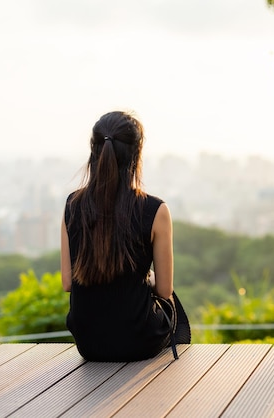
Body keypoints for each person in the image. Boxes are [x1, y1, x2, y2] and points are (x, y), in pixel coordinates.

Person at [60, 110, 190, 362]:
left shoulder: (72, 205)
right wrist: (148, 277)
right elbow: (164, 290)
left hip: (89, 345)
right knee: (174, 309)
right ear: (136, 154)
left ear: (94, 150)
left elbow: (68, 283)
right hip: (138, 341)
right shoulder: (155, 210)